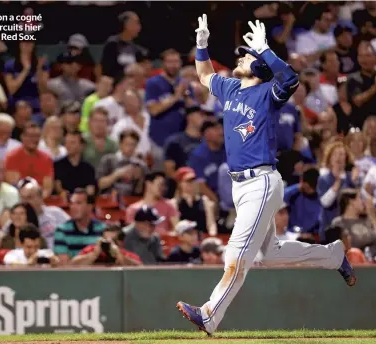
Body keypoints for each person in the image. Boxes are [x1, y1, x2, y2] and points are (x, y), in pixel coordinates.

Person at [176, 16, 355, 336]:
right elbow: (205, 76)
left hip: (261, 181)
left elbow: (291, 80)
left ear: (257, 68)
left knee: (236, 253)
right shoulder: (230, 87)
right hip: (239, 186)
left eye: (246, 56)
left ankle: (209, 315)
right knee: (269, 253)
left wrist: (266, 50)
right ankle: (333, 255)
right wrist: (201, 46)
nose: (241, 57)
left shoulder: (266, 93)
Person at [53, 188, 106, 263]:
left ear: (89, 207)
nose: (73, 207)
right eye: (71, 203)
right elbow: (64, 265)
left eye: (78, 203)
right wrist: (94, 255)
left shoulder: (102, 229)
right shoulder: (62, 231)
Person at [5, 122, 54, 198]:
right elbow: (13, 186)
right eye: (30, 136)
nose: (34, 139)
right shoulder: (12, 157)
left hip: (40, 200)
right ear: (22, 137)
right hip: (18, 199)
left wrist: (37, 200)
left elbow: (47, 188)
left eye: (37, 136)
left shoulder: (46, 158)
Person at [97, 129, 147, 197]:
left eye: (133, 145)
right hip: (108, 200)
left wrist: (140, 178)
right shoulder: (108, 160)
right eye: (127, 144)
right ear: (120, 144)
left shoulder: (141, 165)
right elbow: (100, 185)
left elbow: (139, 192)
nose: (130, 148)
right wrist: (118, 174)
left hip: (131, 202)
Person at [54, 130, 96, 196]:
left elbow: (90, 191)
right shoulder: (57, 165)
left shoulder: (88, 168)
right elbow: (58, 189)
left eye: (72, 142)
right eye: (66, 143)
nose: (68, 145)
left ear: (82, 146)